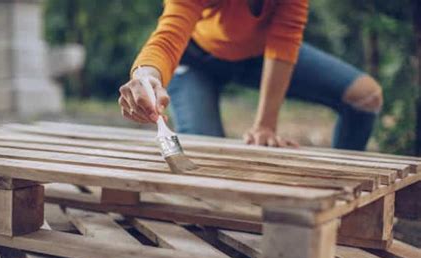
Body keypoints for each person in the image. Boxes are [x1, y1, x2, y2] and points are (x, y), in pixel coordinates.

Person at [118, 0, 383, 150]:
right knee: (208, 156)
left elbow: (285, 40)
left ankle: (344, 196)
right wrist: (146, 75)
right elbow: (168, 37)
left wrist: (266, 125)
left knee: (366, 96)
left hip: (262, 54)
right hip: (197, 60)